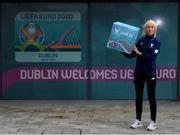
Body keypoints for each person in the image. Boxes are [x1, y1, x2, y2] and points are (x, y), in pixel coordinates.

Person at [122, 19, 161, 131]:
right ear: (145, 29)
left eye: (152, 27)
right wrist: (122, 48)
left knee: (151, 98)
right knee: (138, 98)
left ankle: (153, 122)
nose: (150, 29)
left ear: (155, 29)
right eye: (148, 27)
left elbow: (152, 57)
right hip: (138, 73)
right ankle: (138, 120)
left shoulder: (157, 41)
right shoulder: (141, 41)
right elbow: (131, 55)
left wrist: (139, 53)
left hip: (150, 73)